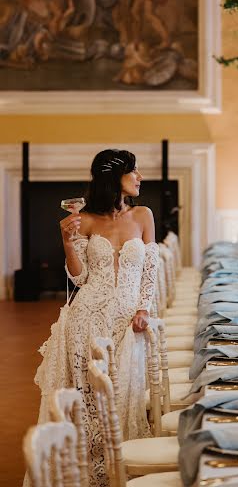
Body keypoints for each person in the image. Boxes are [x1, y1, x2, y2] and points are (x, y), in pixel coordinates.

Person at [24, 149, 159, 487]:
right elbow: (79, 277)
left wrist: (144, 308)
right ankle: (86, 473)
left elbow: (149, 272)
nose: (140, 177)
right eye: (134, 171)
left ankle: (118, 470)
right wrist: (68, 241)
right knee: (89, 400)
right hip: (87, 318)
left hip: (128, 320)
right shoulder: (85, 220)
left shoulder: (143, 215)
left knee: (123, 394)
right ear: (115, 178)